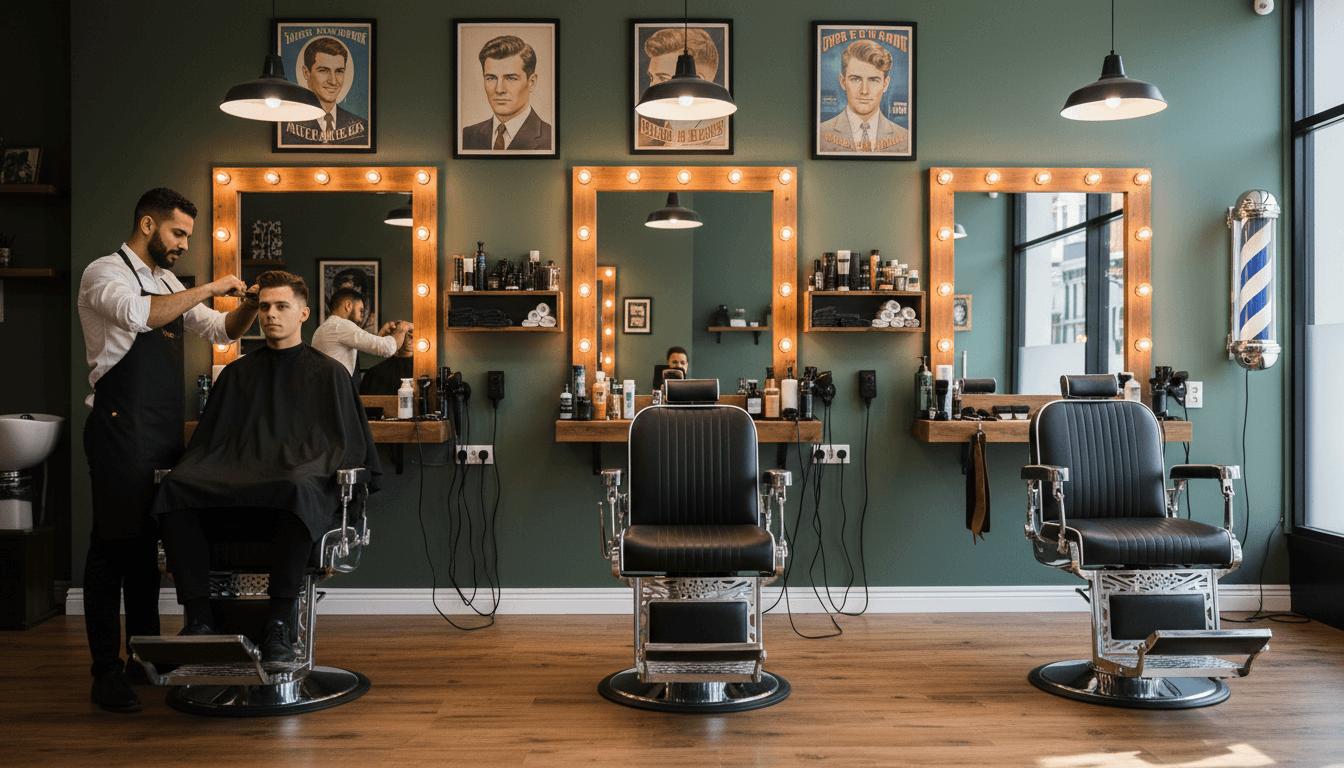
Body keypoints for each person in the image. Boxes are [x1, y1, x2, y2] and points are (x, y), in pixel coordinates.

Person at [76, 187, 258, 713]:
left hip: (158, 431)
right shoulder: (103, 272)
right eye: (178, 233)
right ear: (148, 223)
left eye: (187, 236)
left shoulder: (167, 281)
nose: (182, 244)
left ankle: (142, 658)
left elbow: (222, 330)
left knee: (144, 549)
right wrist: (211, 285)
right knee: (111, 548)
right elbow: (140, 316)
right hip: (117, 427)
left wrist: (244, 304)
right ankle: (105, 671)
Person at [153, 271, 382, 663]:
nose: (270, 315)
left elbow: (347, 450)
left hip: (289, 501)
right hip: (235, 499)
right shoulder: (238, 374)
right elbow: (210, 447)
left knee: (296, 486)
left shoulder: (330, 374)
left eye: (281, 307)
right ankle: (199, 621)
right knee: (177, 486)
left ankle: (279, 626)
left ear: (303, 314)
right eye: (264, 307)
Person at [637, 27, 726, 149]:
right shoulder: (662, 127)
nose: (651, 86)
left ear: (699, 80)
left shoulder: (719, 135)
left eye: (663, 78)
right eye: (652, 78)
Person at [817, 39, 909, 154]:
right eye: (855, 79)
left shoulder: (905, 139)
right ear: (842, 81)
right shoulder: (820, 134)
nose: (864, 91)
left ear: (885, 84)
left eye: (873, 80)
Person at [462, 35, 552, 151]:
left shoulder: (550, 138)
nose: (499, 89)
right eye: (491, 78)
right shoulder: (467, 136)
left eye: (511, 78)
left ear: (532, 82)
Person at [310, 286, 412, 382]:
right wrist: (404, 327)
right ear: (348, 305)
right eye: (361, 310)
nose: (362, 317)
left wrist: (379, 337)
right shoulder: (341, 325)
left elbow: (368, 346)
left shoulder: (327, 327)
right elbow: (388, 348)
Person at [282, 36, 368, 146]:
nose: (333, 81)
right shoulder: (286, 127)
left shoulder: (363, 127)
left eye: (339, 71)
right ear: (306, 73)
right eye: (324, 71)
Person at [359, 326, 415, 396]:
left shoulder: (422, 371)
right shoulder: (375, 372)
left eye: (411, 335)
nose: (411, 338)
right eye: (407, 335)